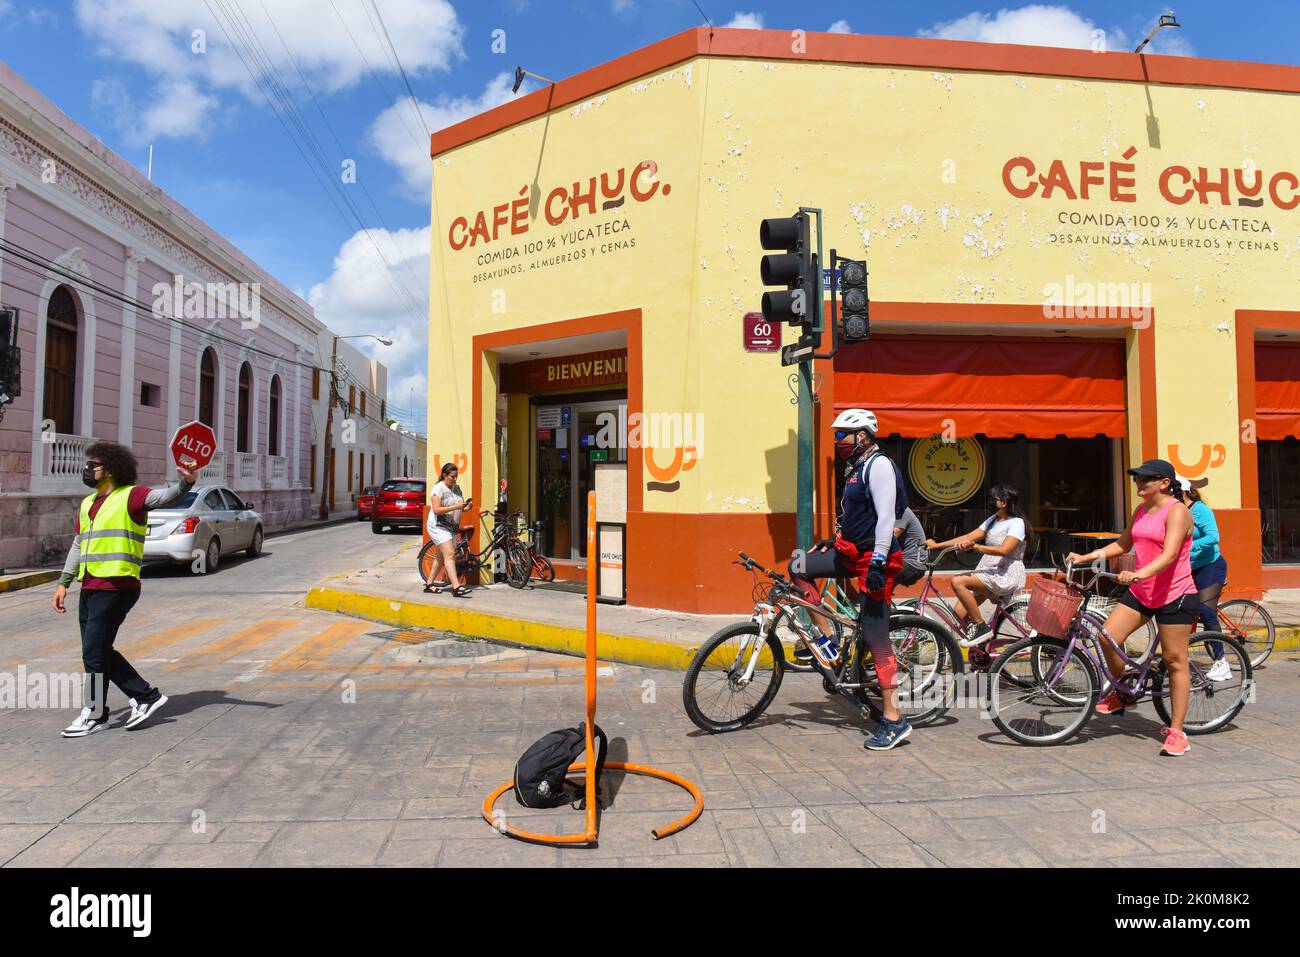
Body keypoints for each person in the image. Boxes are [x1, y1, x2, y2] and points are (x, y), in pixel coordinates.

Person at [51, 442, 197, 737]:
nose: (87, 468)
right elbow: (79, 544)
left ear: (112, 468)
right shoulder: (88, 503)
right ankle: (119, 705)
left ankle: (118, 705)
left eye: (94, 464)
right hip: (91, 584)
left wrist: (186, 482)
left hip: (117, 585)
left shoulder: (132, 496)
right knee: (95, 651)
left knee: (94, 651)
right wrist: (63, 582)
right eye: (88, 464)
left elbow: (164, 497)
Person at [789, 408, 911, 751]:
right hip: (850, 552)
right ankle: (828, 645)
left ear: (863, 436)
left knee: (876, 637)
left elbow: (887, 518)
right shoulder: (855, 467)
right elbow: (857, 514)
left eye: (843, 434)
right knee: (798, 566)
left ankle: (893, 719)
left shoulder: (880, 465)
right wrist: (835, 538)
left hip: (875, 559)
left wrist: (878, 562)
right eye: (836, 434)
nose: (837, 440)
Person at [1067, 458, 1197, 757]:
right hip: (1143, 591)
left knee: (1175, 660)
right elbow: (1122, 545)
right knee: (1107, 637)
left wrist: (1140, 572)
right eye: (1137, 478)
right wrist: (1087, 557)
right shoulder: (1141, 510)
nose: (1139, 483)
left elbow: (1170, 554)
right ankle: (1124, 689)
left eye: (1146, 479)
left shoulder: (1177, 511)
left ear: (1165, 482)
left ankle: (1177, 732)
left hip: (1174, 594)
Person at [924, 484, 1029, 648]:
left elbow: (1005, 550)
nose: (990, 502)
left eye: (994, 499)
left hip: (1004, 573)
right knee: (959, 614)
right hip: (988, 570)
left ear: (1005, 502)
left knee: (958, 581)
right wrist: (937, 546)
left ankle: (980, 626)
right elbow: (968, 536)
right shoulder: (994, 520)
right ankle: (983, 649)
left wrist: (976, 547)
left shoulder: (1017, 523)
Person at [1179, 474, 1231, 681]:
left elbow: (1213, 537)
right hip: (1189, 568)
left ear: (1182, 491)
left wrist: (1189, 547)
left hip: (1211, 566)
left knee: (1206, 611)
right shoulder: (1176, 512)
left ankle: (1221, 663)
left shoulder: (1199, 510)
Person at [426, 462, 471, 597]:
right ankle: (456, 587)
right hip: (438, 526)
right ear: (444, 475)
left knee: (441, 557)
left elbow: (460, 506)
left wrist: (466, 507)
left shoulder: (456, 488)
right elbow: (437, 510)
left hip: (450, 527)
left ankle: (429, 584)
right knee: (450, 554)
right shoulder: (438, 489)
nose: (454, 479)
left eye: (456, 476)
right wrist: (455, 507)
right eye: (452, 476)